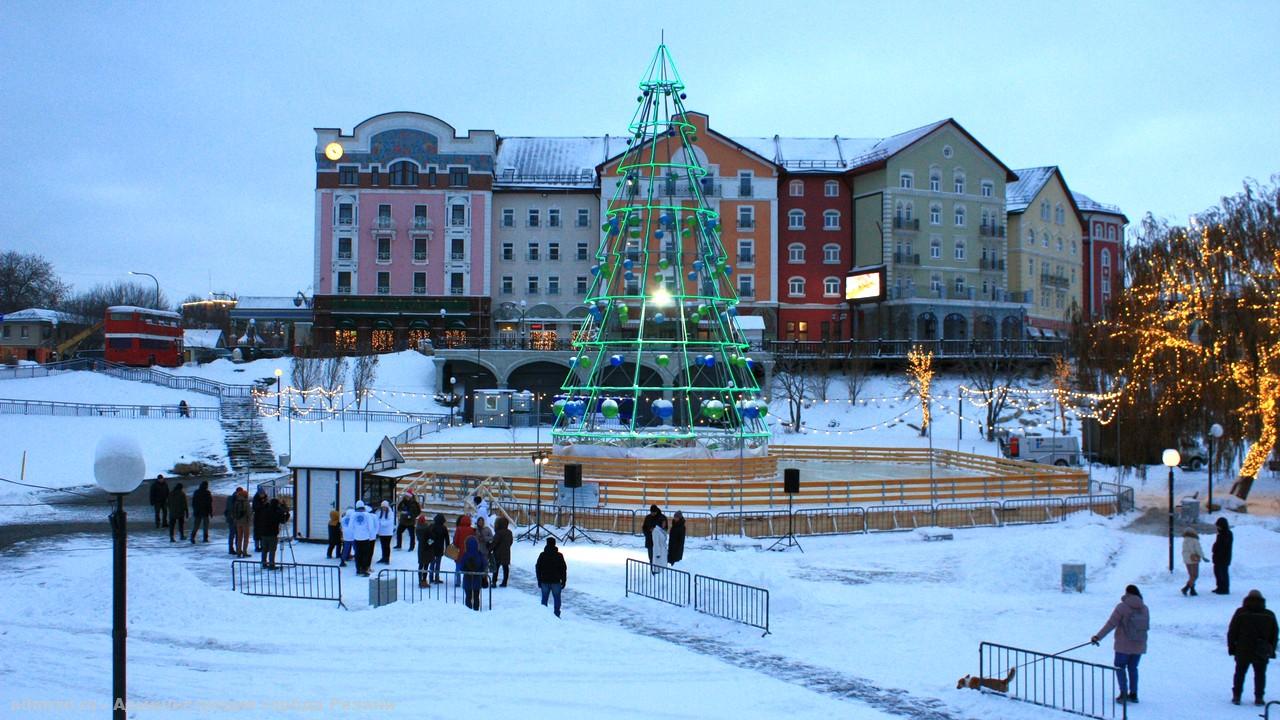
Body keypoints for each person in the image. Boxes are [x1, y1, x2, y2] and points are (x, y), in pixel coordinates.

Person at [1091, 584, 1149, 705]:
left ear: (1127, 593)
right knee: (1133, 668)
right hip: (1139, 644)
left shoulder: (1122, 607)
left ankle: (1123, 693)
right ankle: (1134, 694)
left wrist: (1098, 637)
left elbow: (1111, 624)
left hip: (1123, 645)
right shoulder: (1144, 608)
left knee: (1120, 667)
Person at [1229, 589, 1279, 705]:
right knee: (1260, 675)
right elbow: (1274, 634)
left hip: (1243, 649)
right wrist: (1271, 650)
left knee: (1240, 673)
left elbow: (1232, 631)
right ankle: (1259, 697)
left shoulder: (1241, 613)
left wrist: (1232, 648)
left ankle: (1237, 696)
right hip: (1262, 650)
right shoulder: (1269, 615)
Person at [536, 536, 567, 617]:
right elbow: (563, 569)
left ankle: (544, 615)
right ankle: (557, 614)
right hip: (556, 581)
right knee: (557, 598)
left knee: (544, 598)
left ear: (547, 544)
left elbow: (538, 567)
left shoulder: (542, 555)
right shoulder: (559, 555)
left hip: (544, 580)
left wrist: (539, 579)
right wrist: (563, 580)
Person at [257, 497, 288, 569]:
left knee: (264, 549)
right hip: (272, 534)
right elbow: (283, 520)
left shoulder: (265, 510)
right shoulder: (276, 512)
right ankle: (271, 565)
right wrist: (287, 514)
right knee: (272, 550)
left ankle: (264, 563)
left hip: (263, 533)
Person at [460, 536, 489, 611]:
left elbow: (461, 567)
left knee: (468, 597)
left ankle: (468, 611)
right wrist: (480, 571)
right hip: (477, 579)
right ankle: (476, 610)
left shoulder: (465, 555)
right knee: (476, 596)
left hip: (467, 579)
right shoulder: (479, 554)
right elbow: (484, 564)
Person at [349, 501, 377, 576]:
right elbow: (371, 527)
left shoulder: (353, 515)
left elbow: (350, 527)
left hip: (357, 538)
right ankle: (364, 569)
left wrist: (354, 533)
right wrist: (371, 535)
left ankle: (358, 569)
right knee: (365, 554)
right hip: (365, 538)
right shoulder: (367, 515)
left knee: (358, 554)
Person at [1180, 529, 1204, 596]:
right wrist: (1203, 556)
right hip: (1194, 559)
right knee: (1195, 575)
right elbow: (1198, 549)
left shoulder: (1185, 540)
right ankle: (1186, 588)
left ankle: (1192, 590)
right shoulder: (1194, 540)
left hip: (1186, 559)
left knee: (1191, 575)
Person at [452, 514, 474, 587]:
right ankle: (466, 582)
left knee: (458, 567)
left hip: (459, 552)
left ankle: (457, 582)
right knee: (467, 568)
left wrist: (456, 545)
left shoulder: (458, 529)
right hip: (468, 552)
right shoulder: (471, 530)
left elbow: (455, 541)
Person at [1212, 517, 1233, 595]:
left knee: (1223, 573)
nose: (1217, 528)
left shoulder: (1226, 534)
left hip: (1223, 558)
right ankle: (1219, 587)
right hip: (1218, 558)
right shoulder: (1221, 534)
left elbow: (1222, 546)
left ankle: (1224, 588)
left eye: (1218, 526)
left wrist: (1216, 549)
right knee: (1217, 573)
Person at [427, 513, 449, 583]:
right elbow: (447, 539)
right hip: (440, 548)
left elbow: (429, 537)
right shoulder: (444, 528)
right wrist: (447, 547)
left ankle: (430, 578)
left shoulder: (431, 526)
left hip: (432, 548)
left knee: (432, 564)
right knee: (438, 564)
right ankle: (436, 578)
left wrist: (428, 545)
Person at [491, 517, 513, 587]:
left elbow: (494, 543)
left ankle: (494, 582)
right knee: (505, 567)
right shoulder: (509, 532)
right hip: (506, 553)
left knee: (496, 568)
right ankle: (505, 582)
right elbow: (511, 542)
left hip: (498, 553)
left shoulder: (498, 533)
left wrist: (489, 549)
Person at [231, 487, 252, 557]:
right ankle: (244, 552)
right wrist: (249, 520)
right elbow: (249, 513)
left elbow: (233, 511)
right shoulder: (246, 502)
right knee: (246, 538)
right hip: (245, 522)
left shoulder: (236, 501)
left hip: (238, 522)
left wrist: (235, 519)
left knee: (239, 538)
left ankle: (238, 552)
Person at [415, 515, 434, 587]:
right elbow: (431, 540)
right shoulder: (427, 529)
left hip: (421, 548)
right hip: (427, 549)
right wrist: (430, 544)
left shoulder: (417, 528)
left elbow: (419, 538)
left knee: (420, 565)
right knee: (426, 565)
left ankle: (420, 580)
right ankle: (424, 580)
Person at [223, 490, 238, 555]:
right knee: (236, 534)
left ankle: (231, 549)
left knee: (232, 535)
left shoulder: (229, 499)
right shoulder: (235, 500)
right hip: (234, 519)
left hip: (230, 519)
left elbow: (227, 510)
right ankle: (237, 549)